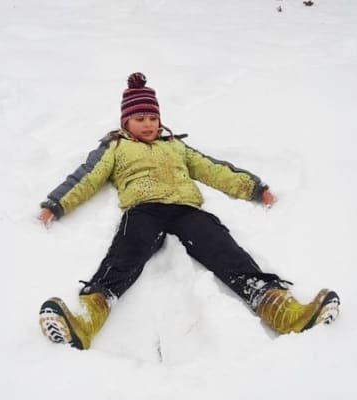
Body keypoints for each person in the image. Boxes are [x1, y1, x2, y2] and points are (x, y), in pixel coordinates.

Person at [38, 72, 340, 350]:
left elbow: (212, 169)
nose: (148, 124)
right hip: (144, 210)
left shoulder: (176, 147)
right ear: (125, 122)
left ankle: (280, 308)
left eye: (153, 117)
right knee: (126, 253)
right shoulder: (115, 147)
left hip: (186, 210)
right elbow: (86, 177)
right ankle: (89, 314)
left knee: (225, 250)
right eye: (140, 118)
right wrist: (56, 205)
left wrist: (254, 189)